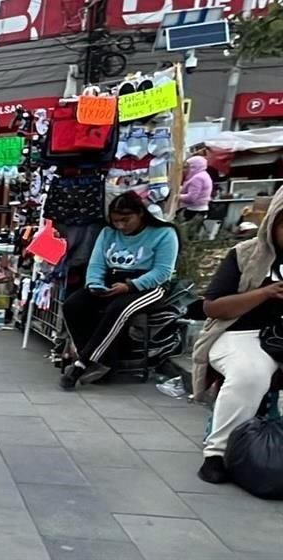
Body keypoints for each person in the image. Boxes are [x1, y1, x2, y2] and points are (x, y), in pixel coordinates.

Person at [192, 186, 283, 484]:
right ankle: (216, 453)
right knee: (250, 373)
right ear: (274, 222)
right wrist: (265, 293)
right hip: (239, 333)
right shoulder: (246, 254)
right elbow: (213, 307)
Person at [60, 192, 179, 390]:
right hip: (112, 280)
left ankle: (82, 364)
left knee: (119, 309)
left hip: (148, 286)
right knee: (73, 305)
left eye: (126, 220)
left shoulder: (165, 233)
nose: (121, 226)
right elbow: (96, 263)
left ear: (140, 214)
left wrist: (131, 286)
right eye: (116, 221)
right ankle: (104, 360)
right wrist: (94, 285)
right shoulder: (108, 233)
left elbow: (163, 271)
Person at [179, 155, 213, 222]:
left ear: (194, 167)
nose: (184, 170)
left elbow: (191, 198)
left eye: (187, 167)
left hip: (194, 210)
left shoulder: (197, 178)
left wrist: (177, 196)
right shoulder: (204, 175)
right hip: (200, 210)